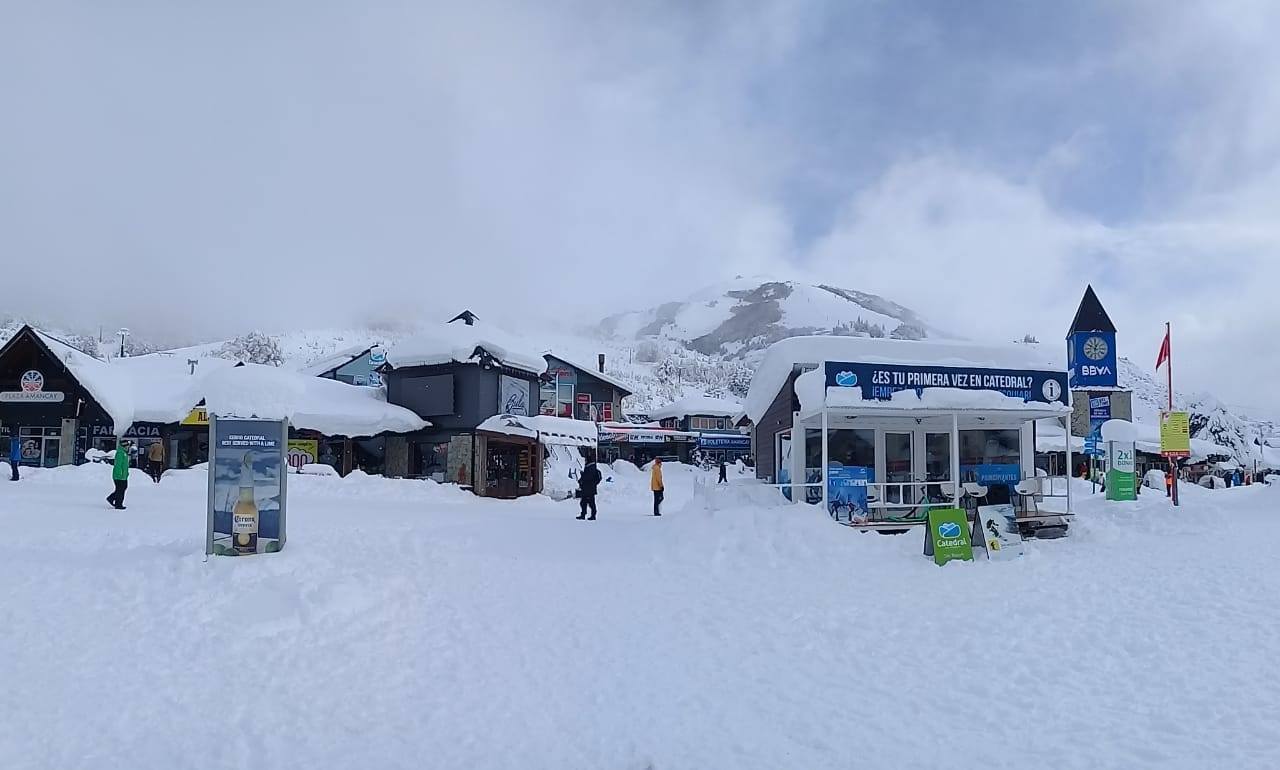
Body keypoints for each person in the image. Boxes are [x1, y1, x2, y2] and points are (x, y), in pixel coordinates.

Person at [106, 440, 131, 509]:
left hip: (123, 475)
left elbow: (124, 465)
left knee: (122, 488)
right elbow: (118, 465)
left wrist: (126, 473)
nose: (128, 447)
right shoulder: (120, 453)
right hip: (119, 476)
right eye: (127, 446)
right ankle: (118, 504)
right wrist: (119, 474)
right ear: (124, 446)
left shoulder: (124, 453)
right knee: (121, 489)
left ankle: (111, 498)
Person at [576, 456, 602, 521]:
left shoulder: (589, 468)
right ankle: (588, 515)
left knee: (588, 503)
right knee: (586, 502)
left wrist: (581, 479)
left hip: (588, 489)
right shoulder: (592, 467)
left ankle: (588, 515)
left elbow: (587, 477)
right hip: (590, 489)